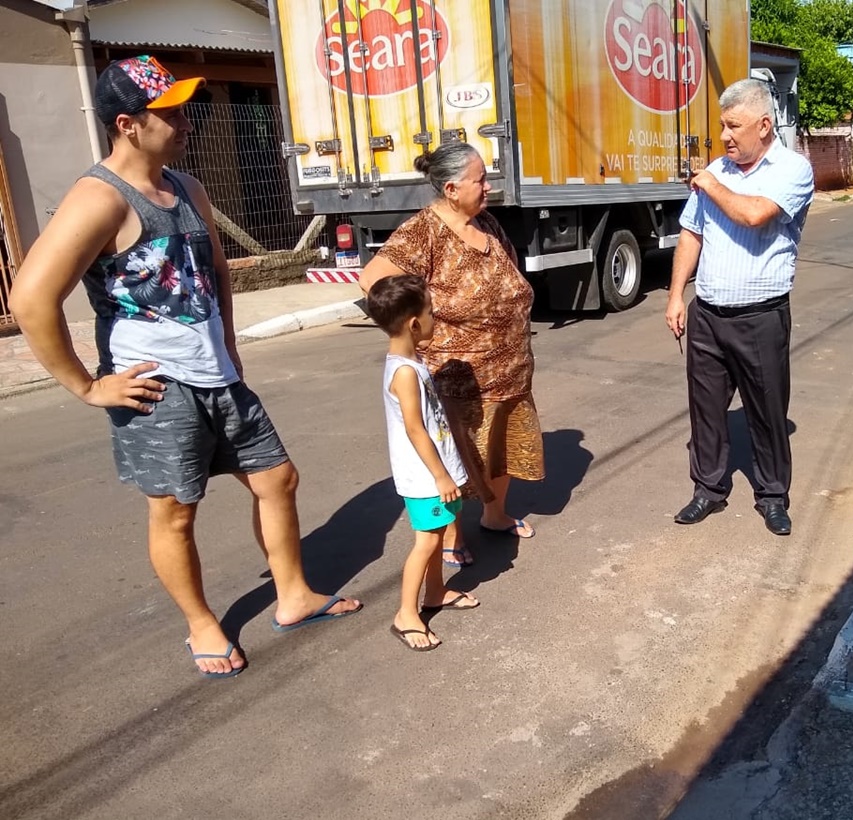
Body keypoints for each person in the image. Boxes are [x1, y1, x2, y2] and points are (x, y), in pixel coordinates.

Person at [9, 55, 361, 679]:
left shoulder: (186, 186)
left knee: (277, 478)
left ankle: (294, 595)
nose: (184, 121)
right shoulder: (99, 200)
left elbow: (220, 273)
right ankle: (202, 624)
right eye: (168, 113)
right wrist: (88, 386)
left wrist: (227, 342)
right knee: (175, 511)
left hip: (219, 373)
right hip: (156, 385)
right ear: (126, 124)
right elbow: (32, 298)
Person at [360, 142, 544, 566]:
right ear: (451, 188)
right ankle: (450, 536)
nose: (488, 187)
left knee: (499, 447)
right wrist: (418, 329)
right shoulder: (422, 232)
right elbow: (374, 281)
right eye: (480, 180)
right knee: (458, 455)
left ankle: (495, 516)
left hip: (510, 369)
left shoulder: (489, 223)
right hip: (456, 375)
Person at [664, 78, 815, 536]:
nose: (725, 136)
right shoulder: (718, 169)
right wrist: (676, 296)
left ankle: (773, 497)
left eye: (734, 126)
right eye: (723, 126)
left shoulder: (792, 170)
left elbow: (754, 214)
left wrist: (710, 184)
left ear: (765, 125)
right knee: (705, 409)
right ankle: (707, 490)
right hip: (709, 315)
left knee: (767, 411)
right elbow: (692, 234)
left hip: (760, 317)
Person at [367, 275, 480, 651]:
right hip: (425, 478)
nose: (435, 317)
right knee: (427, 542)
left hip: (436, 474)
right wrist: (441, 476)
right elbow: (416, 430)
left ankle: (435, 593)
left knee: (436, 535)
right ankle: (406, 614)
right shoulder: (403, 373)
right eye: (430, 312)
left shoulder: (411, 361)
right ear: (414, 324)